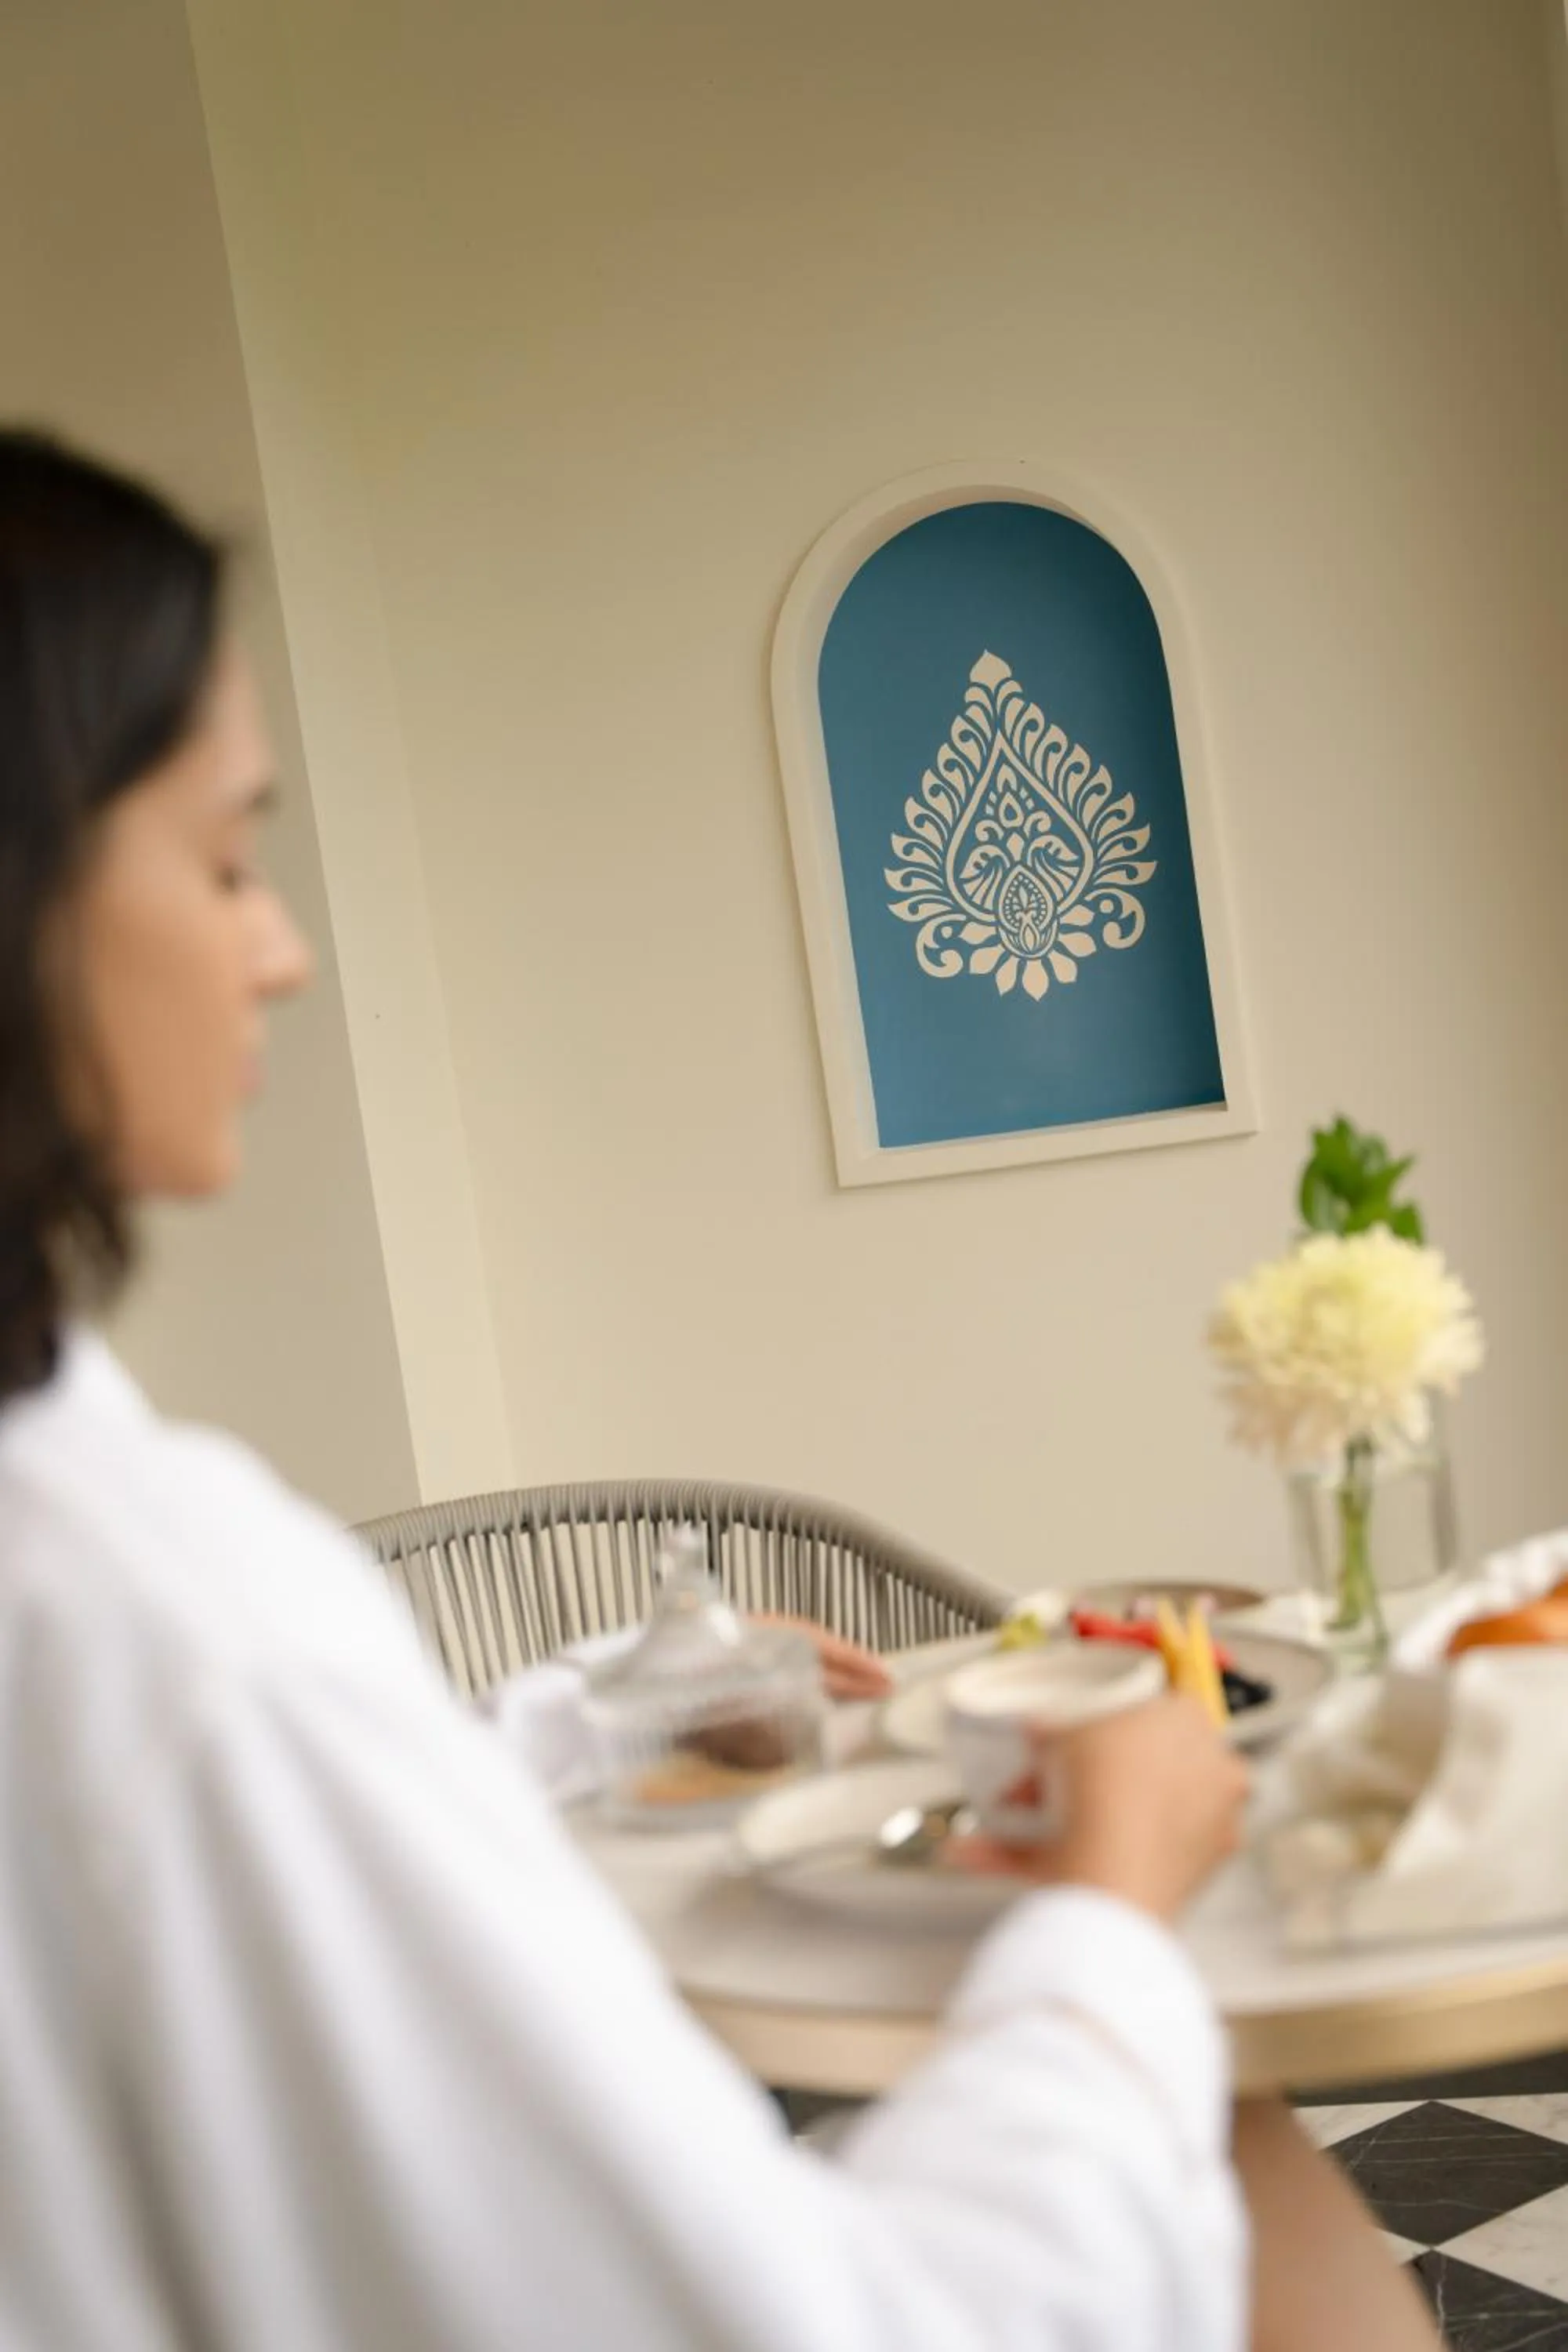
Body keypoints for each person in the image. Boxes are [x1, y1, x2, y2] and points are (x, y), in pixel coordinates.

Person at [0, 430, 1437, 2352]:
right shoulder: (171, 1628)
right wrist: (1106, 1903)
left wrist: (599, 1722)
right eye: (226, 859)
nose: (282, 950)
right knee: (1238, 2148)